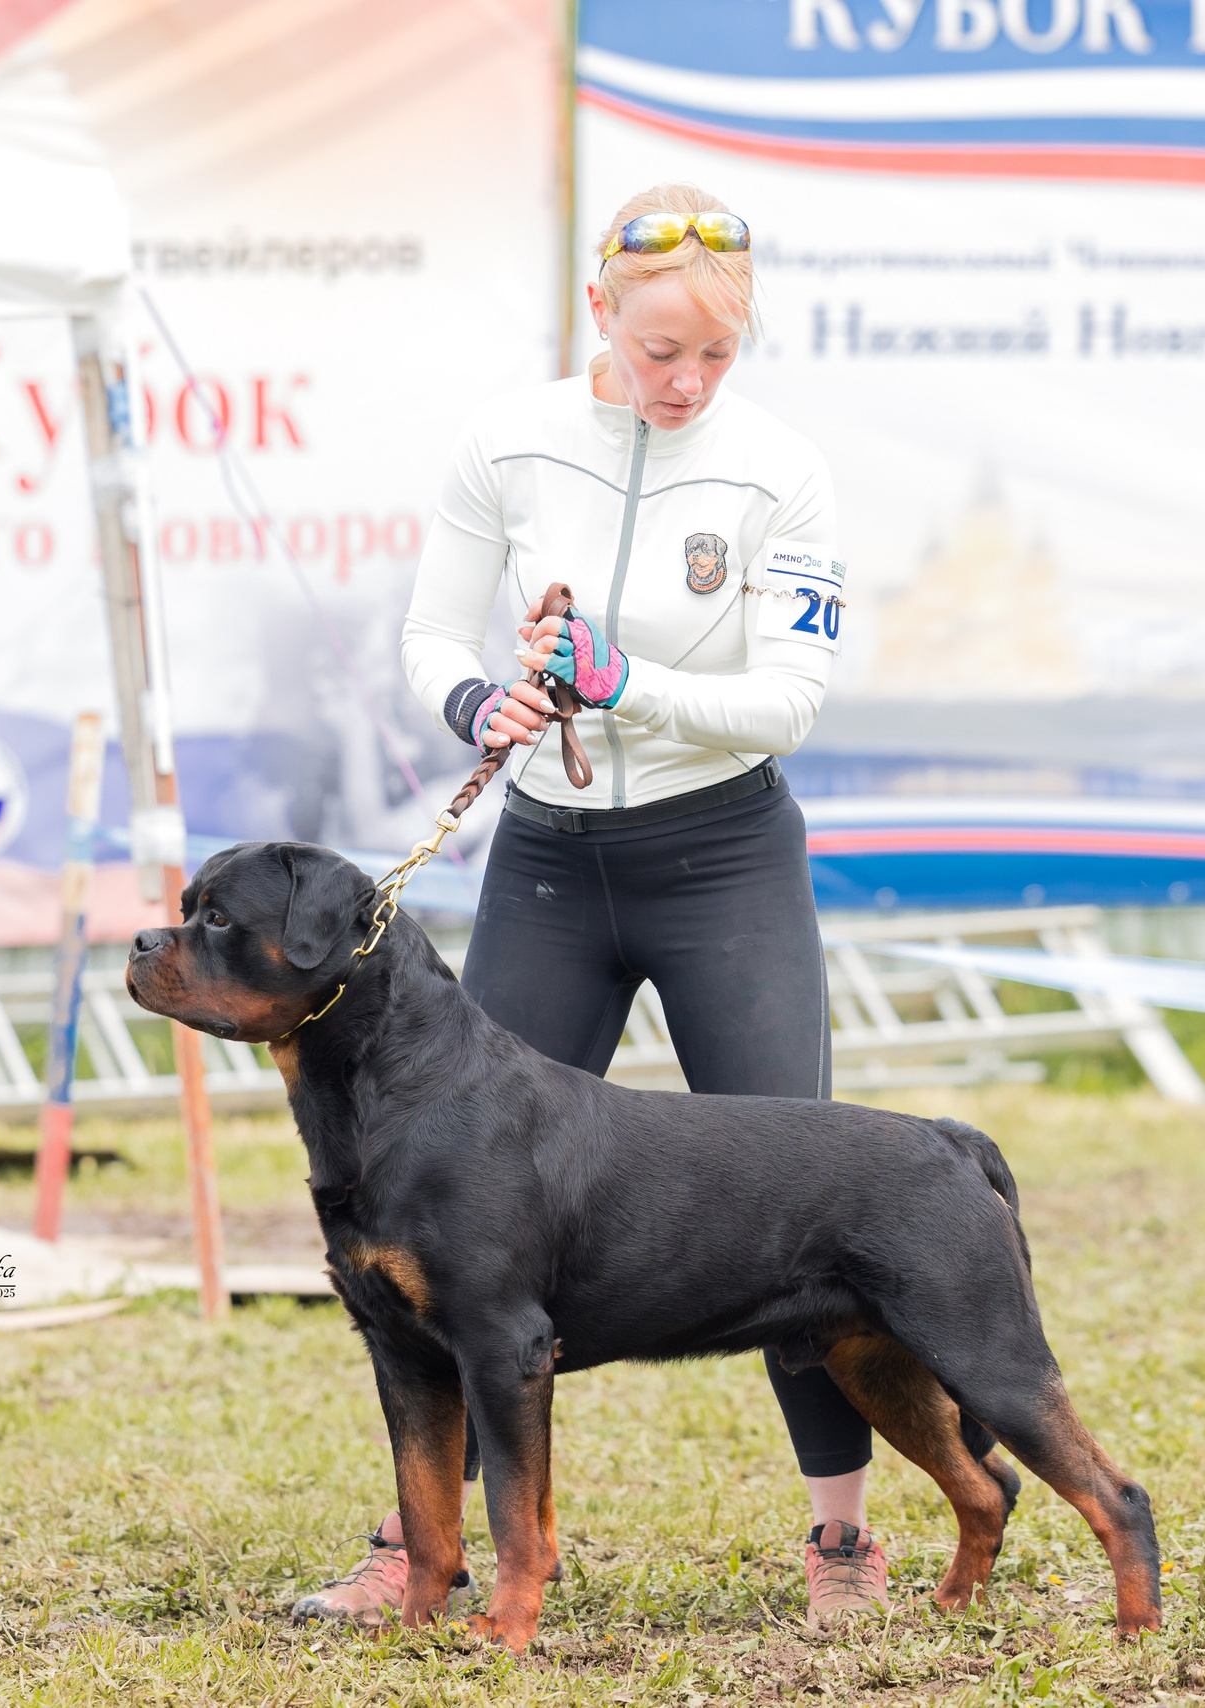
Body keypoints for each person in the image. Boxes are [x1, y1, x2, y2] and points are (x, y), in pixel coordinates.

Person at [293, 183, 995, 1632]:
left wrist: (630, 684)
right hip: (548, 858)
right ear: (600, 312)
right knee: (458, 1212)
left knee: (802, 1208)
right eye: (661, 348)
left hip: (722, 859)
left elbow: (787, 699)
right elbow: (430, 631)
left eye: (717, 358)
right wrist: (479, 698)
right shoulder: (509, 443)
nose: (686, 382)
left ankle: (843, 1545)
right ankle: (408, 1546)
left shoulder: (779, 473)